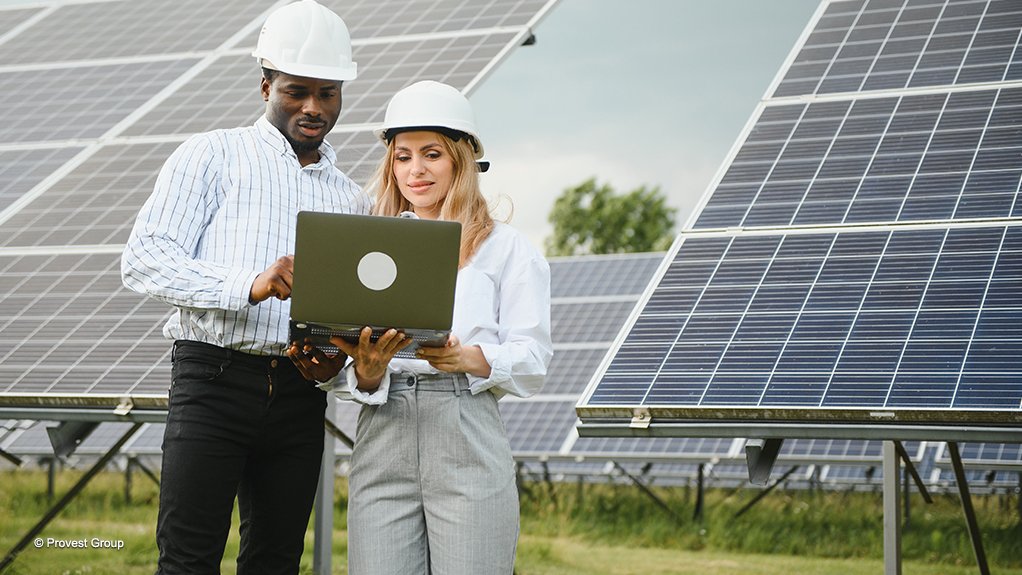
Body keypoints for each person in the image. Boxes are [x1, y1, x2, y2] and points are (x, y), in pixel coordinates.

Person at [120, 1, 365, 572]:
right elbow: (144, 260)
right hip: (213, 380)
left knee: (276, 561)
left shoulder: (352, 199)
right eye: (296, 90)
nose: (312, 107)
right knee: (188, 558)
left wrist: (336, 355)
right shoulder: (211, 155)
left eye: (327, 93)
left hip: (302, 394)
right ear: (265, 86)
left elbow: (344, 312)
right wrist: (249, 284)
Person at [289, 80, 553, 574]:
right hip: (382, 430)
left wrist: (467, 357)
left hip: (464, 424)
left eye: (431, 154)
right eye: (403, 156)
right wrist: (367, 372)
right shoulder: (369, 243)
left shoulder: (507, 248)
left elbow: (533, 361)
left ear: (461, 159)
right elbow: (351, 365)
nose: (416, 170)